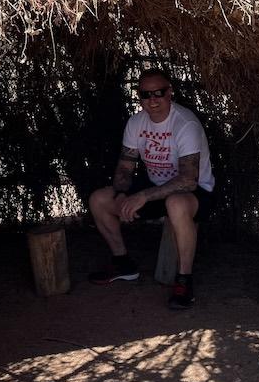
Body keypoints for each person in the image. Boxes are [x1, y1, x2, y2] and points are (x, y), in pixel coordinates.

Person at [88, 68, 215, 309]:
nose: (152, 100)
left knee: (175, 203)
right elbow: (125, 166)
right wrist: (123, 193)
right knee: (99, 199)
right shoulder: (136, 122)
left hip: (197, 191)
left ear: (170, 93)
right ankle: (122, 262)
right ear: (139, 97)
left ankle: (184, 280)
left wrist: (142, 196)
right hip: (156, 186)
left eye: (159, 93)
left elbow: (188, 180)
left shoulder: (185, 124)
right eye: (146, 95)